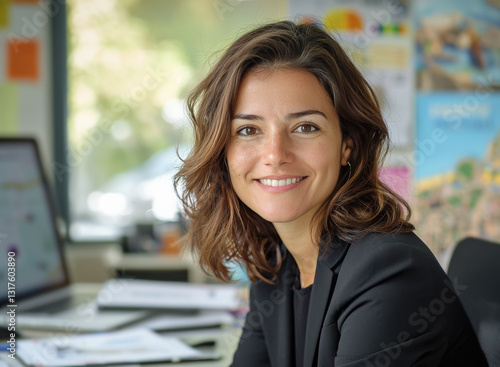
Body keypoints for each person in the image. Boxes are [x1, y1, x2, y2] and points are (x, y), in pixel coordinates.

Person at [174, 21, 487, 367]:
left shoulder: (389, 271)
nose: (275, 154)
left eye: (305, 127)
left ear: (347, 146)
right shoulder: (276, 263)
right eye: (248, 130)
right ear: (223, 152)